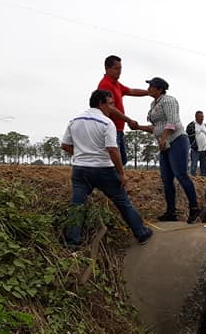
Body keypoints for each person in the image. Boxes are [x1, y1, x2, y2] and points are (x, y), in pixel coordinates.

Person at [61, 89, 152, 246]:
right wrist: (121, 173)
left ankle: (72, 241)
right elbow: (112, 150)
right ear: (100, 103)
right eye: (110, 104)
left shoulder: (74, 121)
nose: (112, 108)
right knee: (122, 201)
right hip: (103, 170)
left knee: (77, 205)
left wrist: (82, 155)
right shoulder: (106, 123)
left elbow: (65, 145)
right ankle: (141, 233)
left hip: (80, 169)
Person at [132, 77, 201, 223]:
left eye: (151, 86)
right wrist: (138, 127)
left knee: (181, 174)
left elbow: (172, 122)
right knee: (166, 179)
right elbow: (155, 128)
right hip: (165, 144)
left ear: (159, 89)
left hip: (176, 140)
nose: (148, 89)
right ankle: (171, 212)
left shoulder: (169, 100)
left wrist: (163, 138)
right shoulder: (153, 104)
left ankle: (194, 207)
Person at [97, 55, 149, 165]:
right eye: (116, 68)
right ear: (107, 68)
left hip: (118, 129)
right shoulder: (105, 85)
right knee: (114, 162)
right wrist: (128, 120)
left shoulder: (116, 84)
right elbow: (110, 108)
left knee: (122, 160)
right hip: (110, 129)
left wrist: (149, 92)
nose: (119, 71)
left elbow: (131, 91)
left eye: (120, 68)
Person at [186, 110, 206, 177]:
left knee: (204, 166)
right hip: (195, 149)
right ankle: (192, 177)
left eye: (202, 116)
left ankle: (203, 178)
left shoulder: (205, 125)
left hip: (204, 149)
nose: (201, 118)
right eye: (200, 117)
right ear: (196, 117)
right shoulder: (192, 125)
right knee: (194, 165)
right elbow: (188, 134)